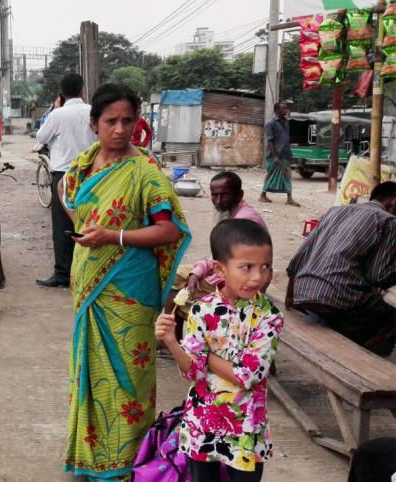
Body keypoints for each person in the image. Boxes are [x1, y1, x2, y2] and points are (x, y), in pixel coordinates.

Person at [62, 83, 190, 480]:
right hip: (89, 283)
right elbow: (67, 195)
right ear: (94, 124)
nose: (119, 129)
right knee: (89, 370)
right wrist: (88, 230)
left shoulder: (145, 170)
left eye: (127, 120)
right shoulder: (84, 164)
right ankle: (90, 457)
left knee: (129, 378)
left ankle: (127, 462)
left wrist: (113, 236)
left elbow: (169, 230)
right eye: (110, 121)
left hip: (131, 287)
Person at [156, 218, 283, 482]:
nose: (258, 277)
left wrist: (205, 357)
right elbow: (192, 372)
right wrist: (172, 342)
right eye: (247, 267)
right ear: (219, 268)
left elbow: (248, 376)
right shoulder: (201, 310)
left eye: (265, 266)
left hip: (245, 428)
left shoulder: (269, 316)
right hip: (202, 422)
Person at [286, 181, 396, 356]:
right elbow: (377, 276)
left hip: (303, 291)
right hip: (337, 298)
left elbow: (300, 256)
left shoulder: (336, 210)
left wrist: (290, 295)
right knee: (390, 317)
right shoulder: (388, 221)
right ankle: (364, 363)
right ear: (393, 203)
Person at [167, 171, 269, 324]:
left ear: (239, 194)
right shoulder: (233, 214)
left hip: (241, 279)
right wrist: (196, 273)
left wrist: (199, 275)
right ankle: (173, 330)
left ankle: (188, 332)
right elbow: (220, 255)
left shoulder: (244, 220)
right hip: (228, 267)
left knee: (185, 293)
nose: (218, 201)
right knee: (174, 275)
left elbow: (237, 267)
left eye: (224, 195)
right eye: (215, 195)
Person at [35, 73, 96, 288]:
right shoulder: (92, 111)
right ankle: (90, 271)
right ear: (82, 89)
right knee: (89, 221)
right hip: (90, 172)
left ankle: (63, 274)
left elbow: (40, 137)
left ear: (61, 93)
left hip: (64, 175)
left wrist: (55, 108)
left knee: (62, 225)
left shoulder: (57, 115)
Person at [260, 102, 299, 206]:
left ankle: (289, 198)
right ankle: (263, 195)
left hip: (285, 154)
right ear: (277, 110)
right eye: (283, 109)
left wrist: (290, 154)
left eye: (286, 108)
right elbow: (270, 141)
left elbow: (286, 139)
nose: (286, 110)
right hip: (274, 155)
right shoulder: (270, 123)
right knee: (270, 174)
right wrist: (274, 156)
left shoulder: (286, 122)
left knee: (287, 175)